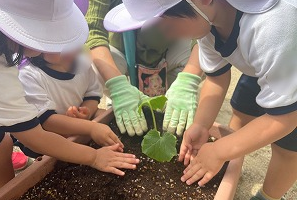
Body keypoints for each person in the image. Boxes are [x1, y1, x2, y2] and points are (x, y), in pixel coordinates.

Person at [104, 0, 297, 200]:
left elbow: (285, 118)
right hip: (269, 64)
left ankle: (269, 196)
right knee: (242, 108)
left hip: (291, 64)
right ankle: (235, 158)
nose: (167, 35)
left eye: (168, 25)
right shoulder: (208, 24)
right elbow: (217, 78)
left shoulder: (273, 26)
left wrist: (220, 151)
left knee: (288, 146)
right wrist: (201, 125)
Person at [0, 0, 139, 192]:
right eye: (37, 33)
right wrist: (93, 156)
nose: (50, 44)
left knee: (1, 144)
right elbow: (35, 137)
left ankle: (6, 191)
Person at [85, 0, 203, 137]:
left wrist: (187, 81)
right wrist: (117, 85)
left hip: (168, 47)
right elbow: (94, 31)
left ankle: (170, 100)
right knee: (92, 67)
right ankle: (123, 99)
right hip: (122, 49)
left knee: (205, 60)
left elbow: (204, 34)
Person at [18, 51, 107, 158]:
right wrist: (92, 128)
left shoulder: (82, 62)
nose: (70, 48)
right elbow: (47, 120)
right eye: (58, 45)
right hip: (48, 133)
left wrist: (86, 111)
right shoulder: (29, 74)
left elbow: (92, 94)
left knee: (104, 115)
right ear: (35, 48)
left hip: (79, 123)